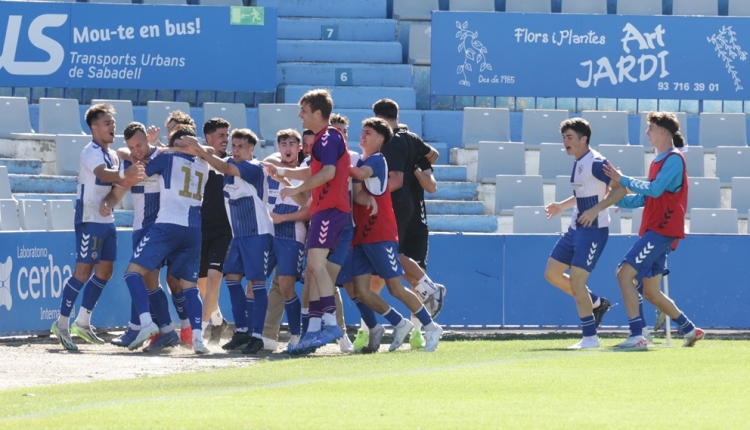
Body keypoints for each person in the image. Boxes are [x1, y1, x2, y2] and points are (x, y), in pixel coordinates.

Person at [604, 111, 705, 349]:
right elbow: (646, 197)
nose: (647, 132)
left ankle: (638, 335)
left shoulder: (674, 158)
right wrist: (616, 200)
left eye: (650, 128)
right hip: (657, 230)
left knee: (623, 274)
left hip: (661, 229)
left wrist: (623, 180)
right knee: (650, 292)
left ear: (662, 131)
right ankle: (690, 329)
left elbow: (655, 189)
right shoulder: (659, 160)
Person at [50, 104, 145, 351]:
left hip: (105, 218)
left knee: (105, 272)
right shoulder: (90, 151)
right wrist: (127, 175)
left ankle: (82, 322)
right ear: (94, 128)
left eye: (113, 123)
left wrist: (111, 199)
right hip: (89, 218)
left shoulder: (111, 154)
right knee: (82, 272)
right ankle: (61, 324)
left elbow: (115, 181)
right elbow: (104, 175)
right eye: (107, 123)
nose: (112, 126)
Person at [348, 117, 443, 352]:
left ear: (380, 139)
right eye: (362, 131)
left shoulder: (378, 160)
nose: (362, 135)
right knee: (361, 291)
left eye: (368, 132)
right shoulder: (363, 160)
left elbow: (359, 176)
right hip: (363, 235)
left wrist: (336, 158)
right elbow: (359, 194)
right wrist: (366, 198)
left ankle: (431, 327)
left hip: (381, 234)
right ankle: (399, 323)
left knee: (395, 288)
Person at [184, 129, 281, 354]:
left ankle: (258, 335)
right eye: (234, 145)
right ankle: (243, 331)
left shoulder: (253, 168)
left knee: (256, 284)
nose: (236, 150)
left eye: (241, 147)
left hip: (258, 234)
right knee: (233, 281)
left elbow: (224, 167)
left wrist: (199, 149)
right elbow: (216, 159)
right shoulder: (227, 161)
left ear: (251, 150)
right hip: (238, 236)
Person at [122, 125, 210, 354]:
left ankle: (147, 324)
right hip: (193, 229)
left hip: (167, 224)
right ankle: (198, 339)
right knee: (190, 287)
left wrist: (139, 152)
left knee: (132, 273)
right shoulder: (204, 162)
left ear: (179, 143)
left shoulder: (166, 158)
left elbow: (139, 172)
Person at [544, 118, 625, 349]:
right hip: (576, 228)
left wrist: (596, 209)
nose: (565, 142)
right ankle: (596, 303)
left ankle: (590, 338)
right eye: (563, 138)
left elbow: (622, 188)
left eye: (569, 137)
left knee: (578, 282)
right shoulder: (580, 161)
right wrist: (561, 205)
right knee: (552, 274)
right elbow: (585, 194)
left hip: (593, 230)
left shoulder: (597, 162)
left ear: (584, 139)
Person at [281, 89, 351, 353]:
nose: (300, 115)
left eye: (304, 111)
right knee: (313, 268)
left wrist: (296, 190)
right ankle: (316, 328)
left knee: (316, 266)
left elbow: (329, 173)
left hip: (330, 209)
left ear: (318, 113)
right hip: (325, 209)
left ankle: (330, 324)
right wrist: (282, 172)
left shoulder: (329, 137)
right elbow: (313, 170)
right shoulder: (324, 139)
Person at [372, 99, 447, 318]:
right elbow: (433, 155)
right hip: (408, 214)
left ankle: (417, 328)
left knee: (394, 269)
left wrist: (414, 167)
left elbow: (430, 185)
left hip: (404, 214)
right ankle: (419, 324)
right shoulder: (409, 142)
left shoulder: (394, 144)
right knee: (388, 274)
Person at [198, 118, 233, 344]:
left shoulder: (231, 163)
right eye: (221, 135)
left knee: (213, 279)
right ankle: (219, 320)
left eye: (227, 135)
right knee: (202, 282)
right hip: (200, 229)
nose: (226, 140)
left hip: (224, 231)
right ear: (208, 138)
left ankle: (200, 332)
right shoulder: (197, 161)